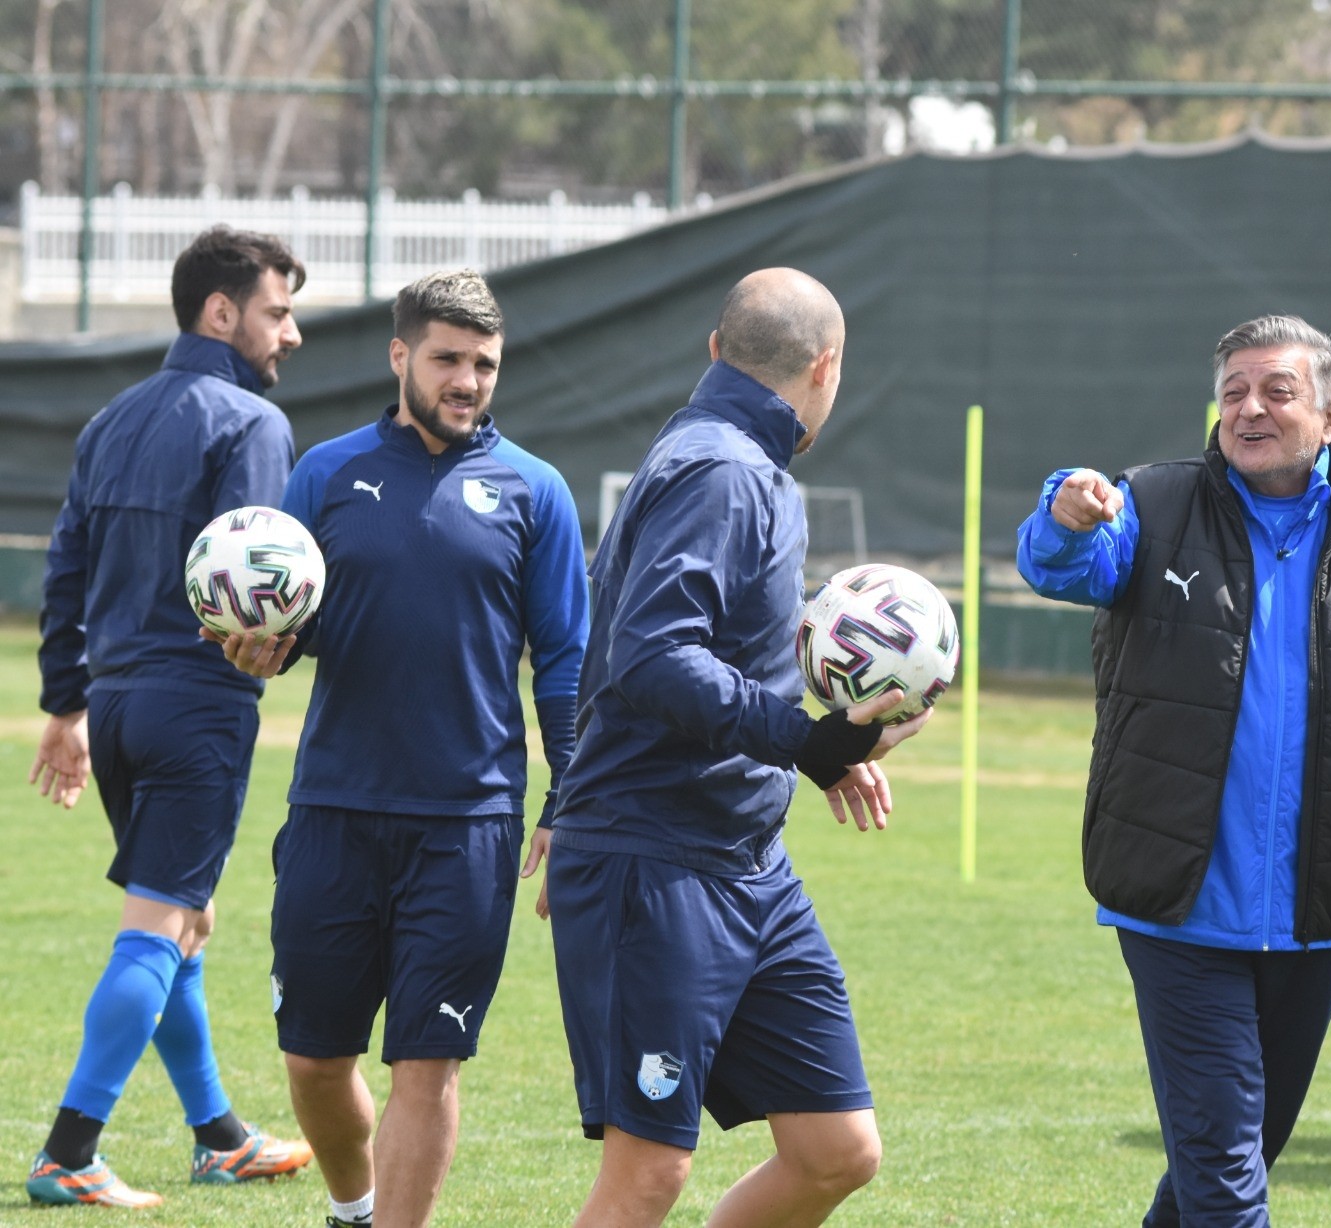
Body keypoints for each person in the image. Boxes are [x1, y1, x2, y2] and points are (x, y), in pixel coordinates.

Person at [1015, 314, 1331, 1226]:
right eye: (1233, 391)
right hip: (1177, 906)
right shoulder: (1151, 506)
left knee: (1231, 1156)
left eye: (1275, 392)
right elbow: (1067, 565)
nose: (1248, 409)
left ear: (1330, 411)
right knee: (1225, 1170)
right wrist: (1064, 512)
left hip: (1317, 914)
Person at [543, 267, 928, 1228]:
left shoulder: (733, 461)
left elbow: (651, 647)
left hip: (747, 866)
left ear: (714, 351)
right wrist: (803, 739)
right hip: (659, 863)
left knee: (835, 1149)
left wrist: (838, 726)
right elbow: (650, 656)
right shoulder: (722, 469)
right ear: (826, 368)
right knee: (647, 1175)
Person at [218, 268, 588, 1228]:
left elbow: (564, 663)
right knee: (313, 1060)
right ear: (400, 357)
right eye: (448, 360)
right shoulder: (326, 474)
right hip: (334, 811)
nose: (468, 380)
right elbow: (284, 630)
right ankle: (353, 1209)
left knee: (428, 1062)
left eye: (484, 364)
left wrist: (568, 798)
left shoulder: (536, 493)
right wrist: (261, 651)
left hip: (467, 826)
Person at [26, 225, 313, 1208]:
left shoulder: (110, 419)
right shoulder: (251, 424)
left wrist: (66, 703)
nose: (294, 333)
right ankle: (70, 1146)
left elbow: (63, 571)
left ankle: (218, 1133)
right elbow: (256, 591)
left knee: (182, 918)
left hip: (114, 709)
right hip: (198, 712)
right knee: (156, 927)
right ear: (221, 312)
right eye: (279, 311)